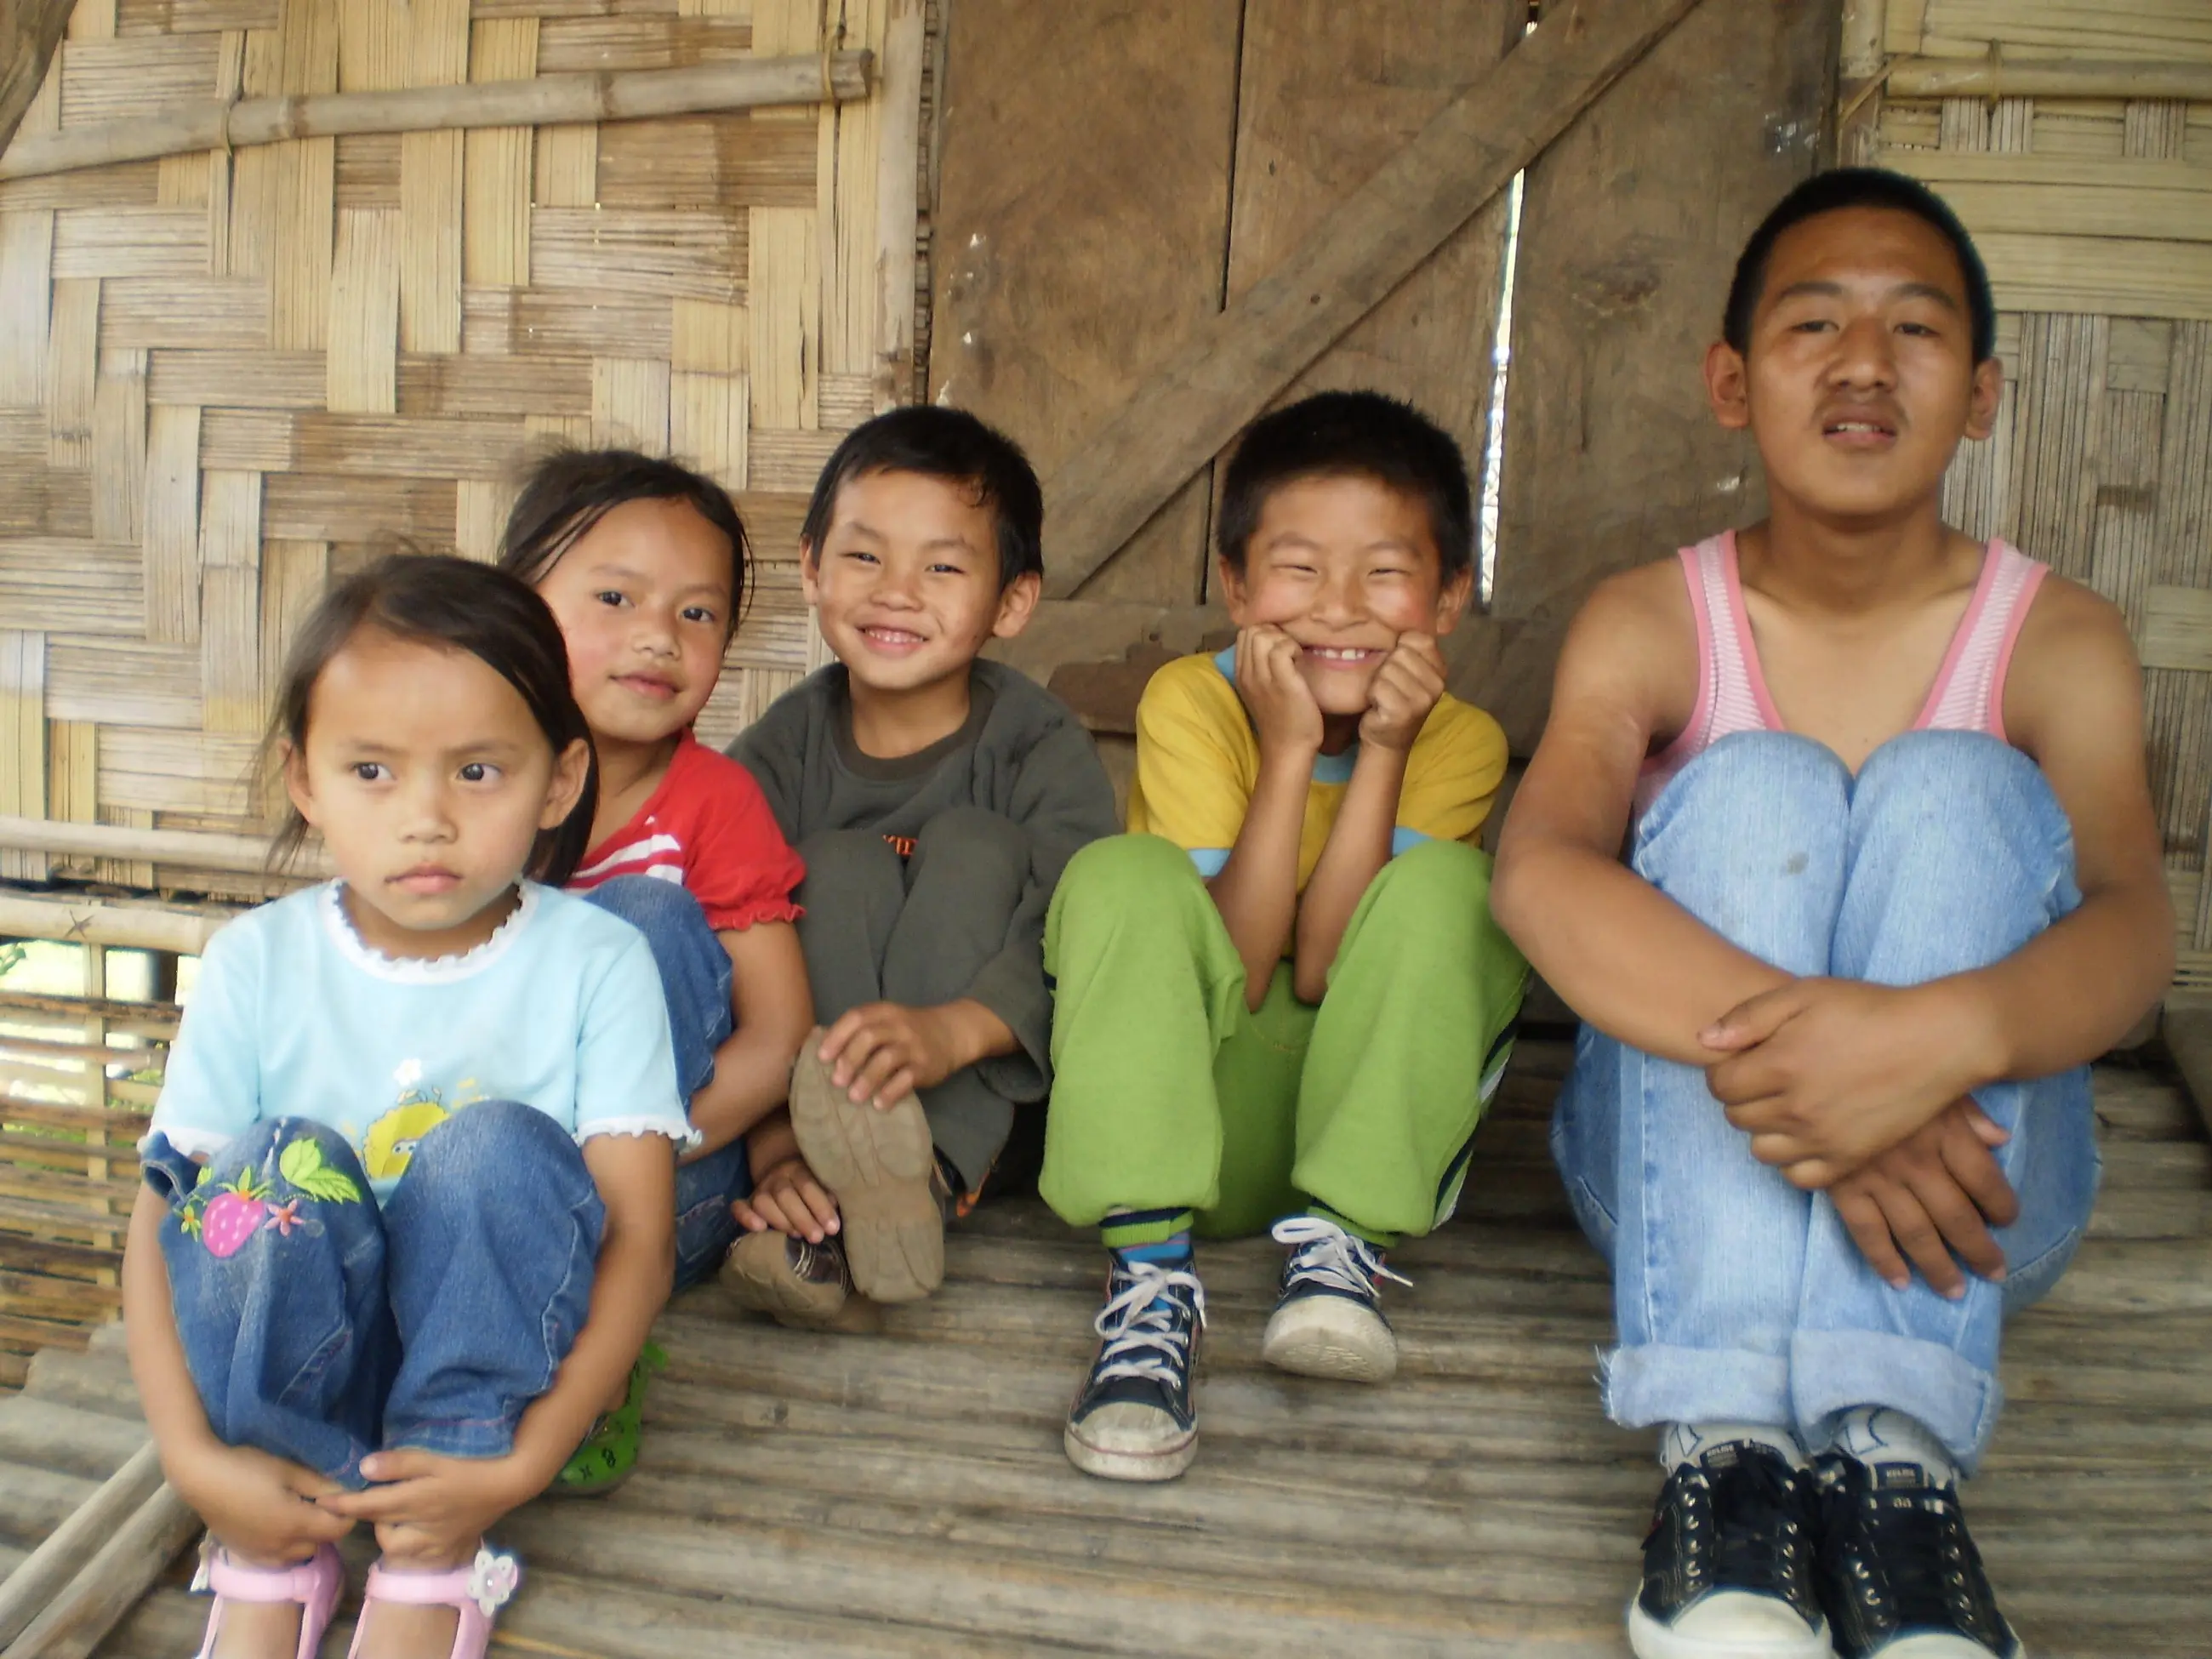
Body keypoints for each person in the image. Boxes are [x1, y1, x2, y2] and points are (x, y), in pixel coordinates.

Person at [1491, 168, 2174, 1659]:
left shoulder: (2056, 636)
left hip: (1983, 1201)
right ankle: (1726, 1448)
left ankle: (1895, 1463)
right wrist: (1839, 1086)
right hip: (1676, 1193)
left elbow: (2134, 928)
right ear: (1732, 383)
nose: (1864, 364)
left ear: (1981, 394)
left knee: (1953, 786)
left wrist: (1934, 1045)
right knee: (1759, 789)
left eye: (1914, 329)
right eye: (1815, 324)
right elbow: (1536, 869)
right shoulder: (1652, 617)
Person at [123, 556, 696, 1659]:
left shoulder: (599, 961)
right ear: (305, 781)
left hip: (487, 1397)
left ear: (560, 780)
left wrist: (522, 1462)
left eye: (478, 771)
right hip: (285, 1396)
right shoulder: (255, 960)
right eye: (372, 771)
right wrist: (195, 1461)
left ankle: (435, 1551)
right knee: (267, 1163)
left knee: (493, 1150)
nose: (427, 818)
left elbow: (639, 1240)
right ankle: (271, 1547)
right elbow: (163, 1218)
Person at [1040, 390, 1530, 1482]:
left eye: (1384, 573)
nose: (1339, 609)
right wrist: (1290, 748)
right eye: (1299, 569)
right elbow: (1250, 958)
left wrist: (1384, 750)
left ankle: (1340, 1255)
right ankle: (1148, 1285)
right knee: (1119, 875)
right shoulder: (1191, 701)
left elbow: (1324, 965)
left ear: (1449, 596)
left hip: (1352, 1137)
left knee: (1455, 889)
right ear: (1235, 585)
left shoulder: (1459, 741)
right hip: (1189, 1121)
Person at [725, 406, 1120, 1329]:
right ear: (812, 568)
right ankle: (827, 1216)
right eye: (864, 556)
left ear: (1011, 602)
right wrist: (774, 1148)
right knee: (826, 867)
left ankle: (919, 1181)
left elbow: (1078, 926)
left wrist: (952, 1033)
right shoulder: (776, 755)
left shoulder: (1037, 745)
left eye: (941, 567)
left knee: (980, 847)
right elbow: (730, 958)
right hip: (817, 1121)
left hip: (997, 1112)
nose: (896, 592)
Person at [501, 449, 813, 1342]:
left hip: (668, 1179)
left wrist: (634, 1152)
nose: (660, 637)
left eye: (697, 613)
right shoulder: (471, 785)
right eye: (615, 597)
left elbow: (778, 1038)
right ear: (519, 605)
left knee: (641, 917)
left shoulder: (716, 803)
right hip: (488, 1162)